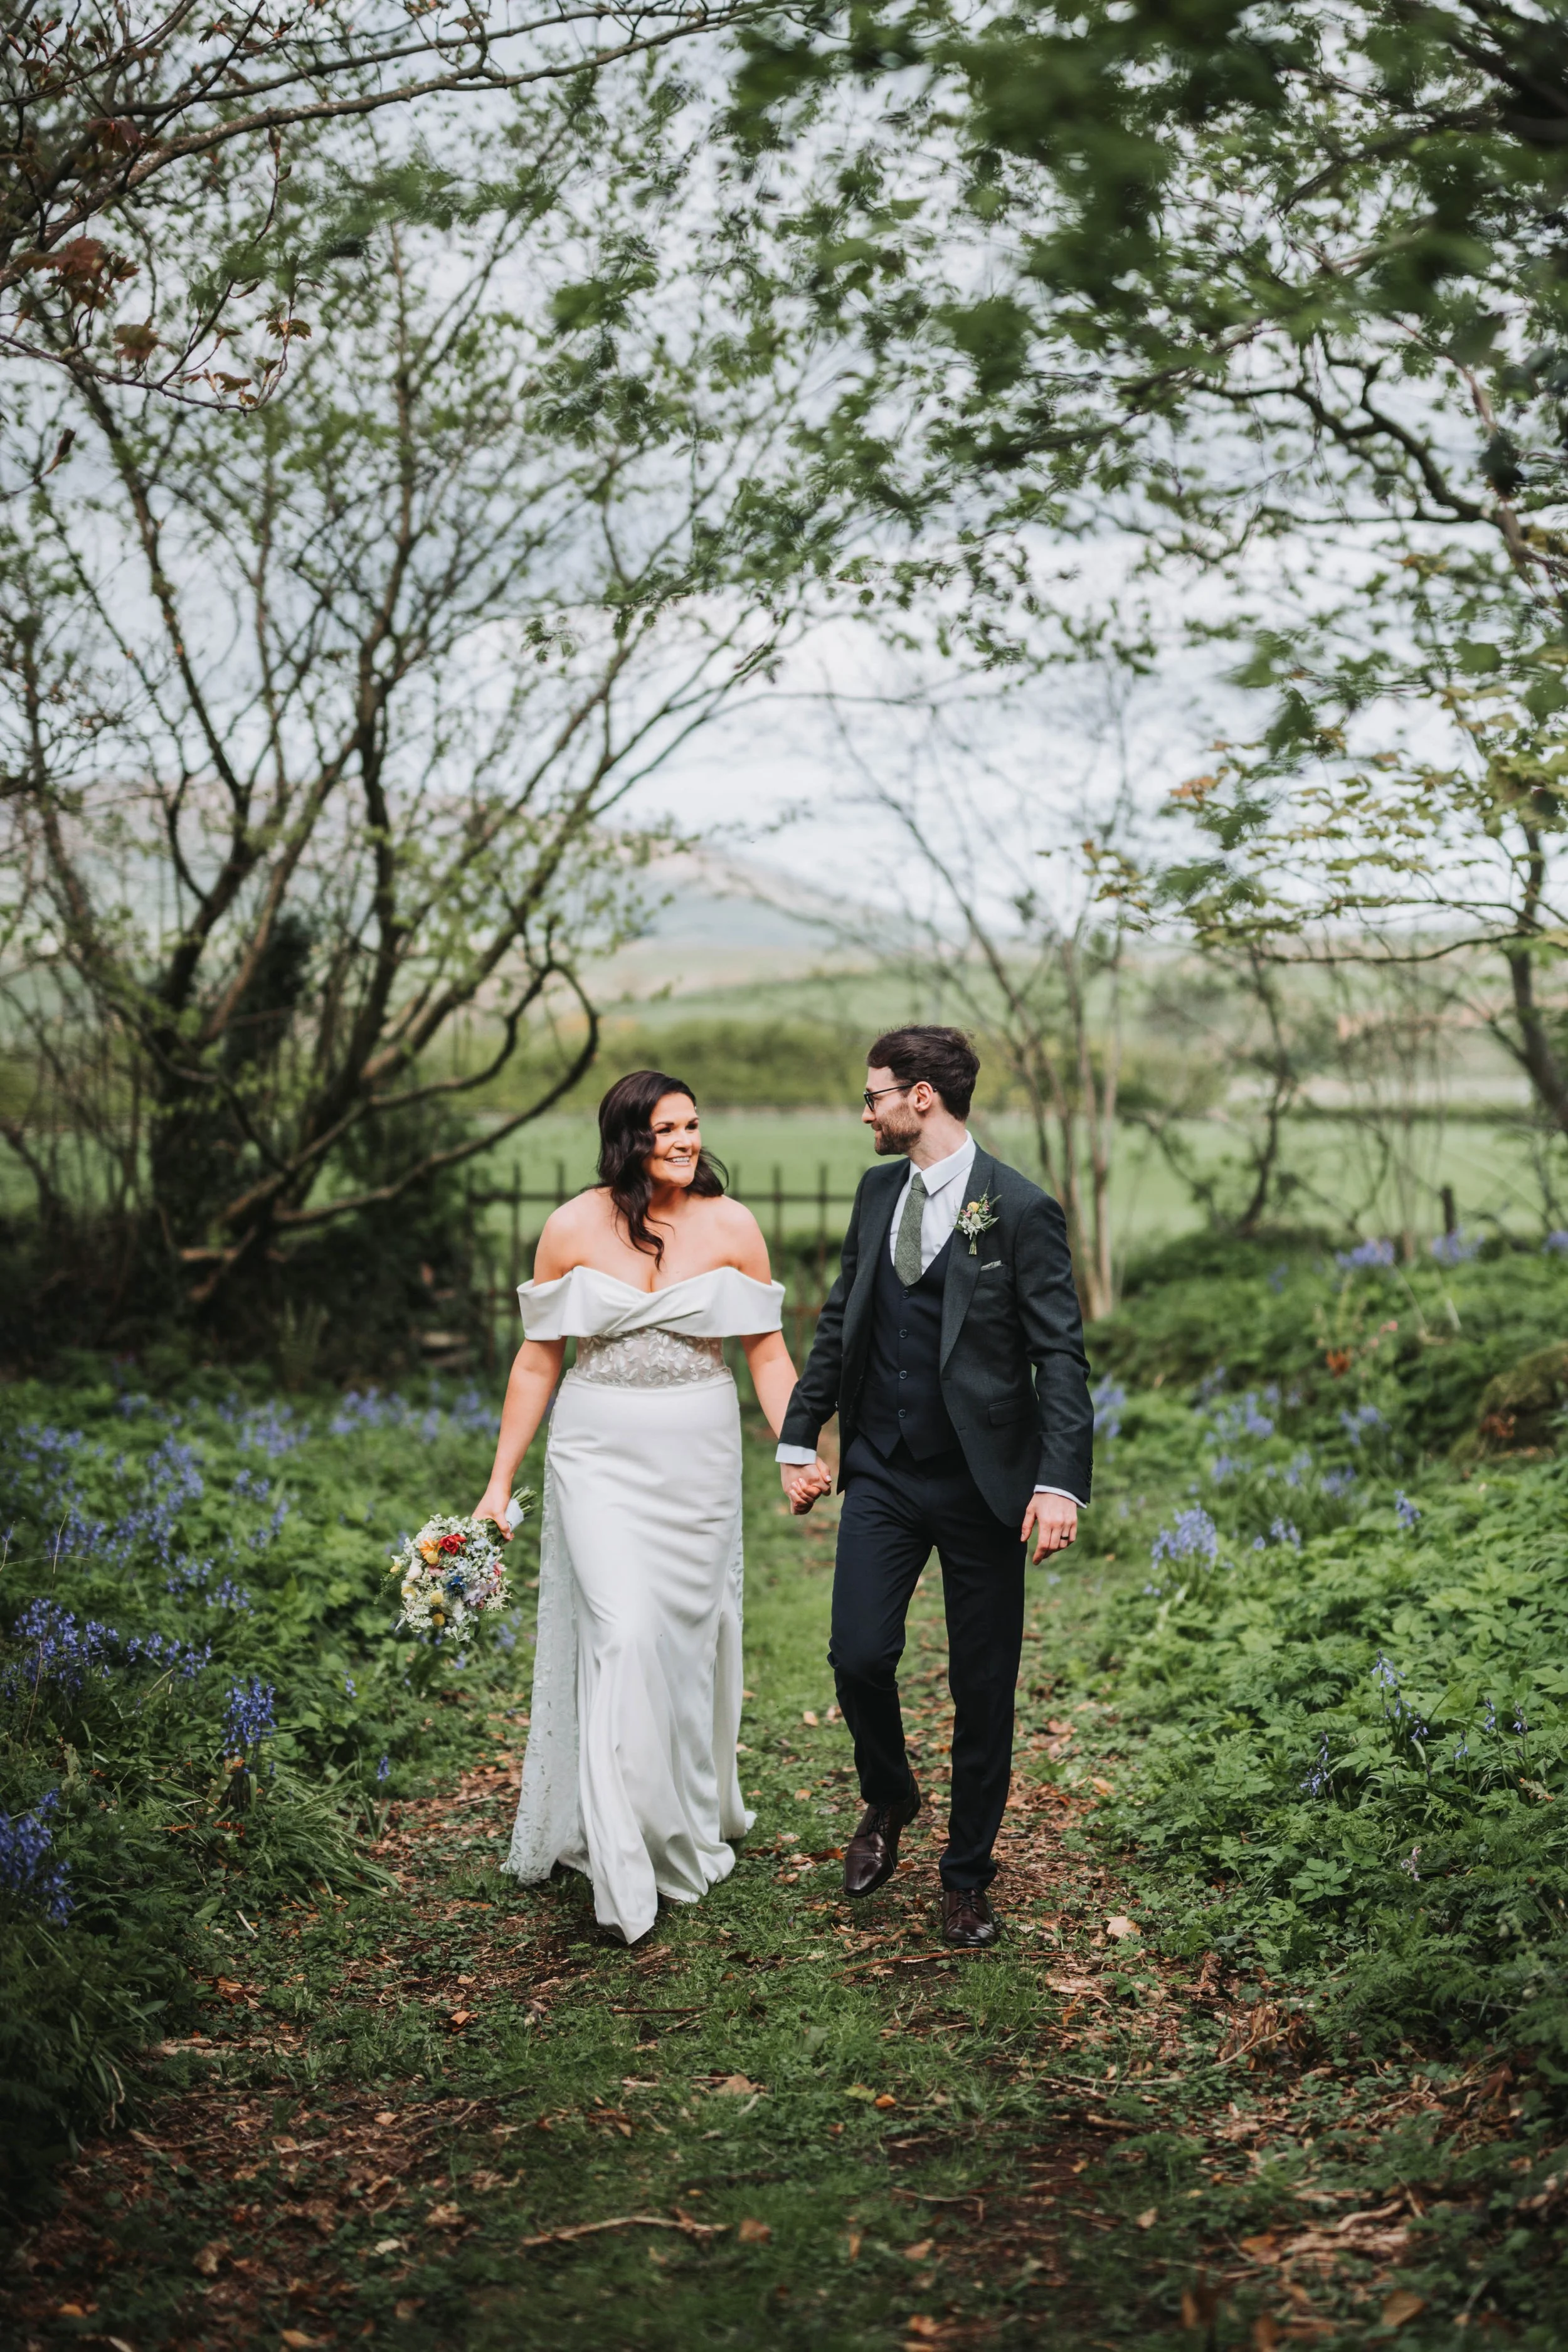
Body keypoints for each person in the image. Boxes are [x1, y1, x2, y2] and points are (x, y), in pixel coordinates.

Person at [777, 1025, 1093, 1948]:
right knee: (857, 1656)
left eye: (874, 1094)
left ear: (922, 1097)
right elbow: (842, 1319)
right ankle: (890, 1793)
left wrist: (1059, 1484)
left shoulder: (1021, 1208)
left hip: (982, 1483)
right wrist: (803, 1433)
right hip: (881, 1467)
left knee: (983, 1686)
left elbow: (1059, 1358)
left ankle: (965, 1878)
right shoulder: (878, 1192)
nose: (865, 1111)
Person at [474, 1070, 801, 1944]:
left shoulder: (732, 1224)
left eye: (693, 1125)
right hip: (597, 1453)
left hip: (697, 1454)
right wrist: (499, 1483)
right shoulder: (572, 1227)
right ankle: (622, 1863)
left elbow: (767, 1353)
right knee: (619, 1631)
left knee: (687, 1640)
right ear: (629, 1139)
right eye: (668, 1130)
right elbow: (538, 1360)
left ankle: (681, 1819)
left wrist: (794, 1445)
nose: (688, 1141)